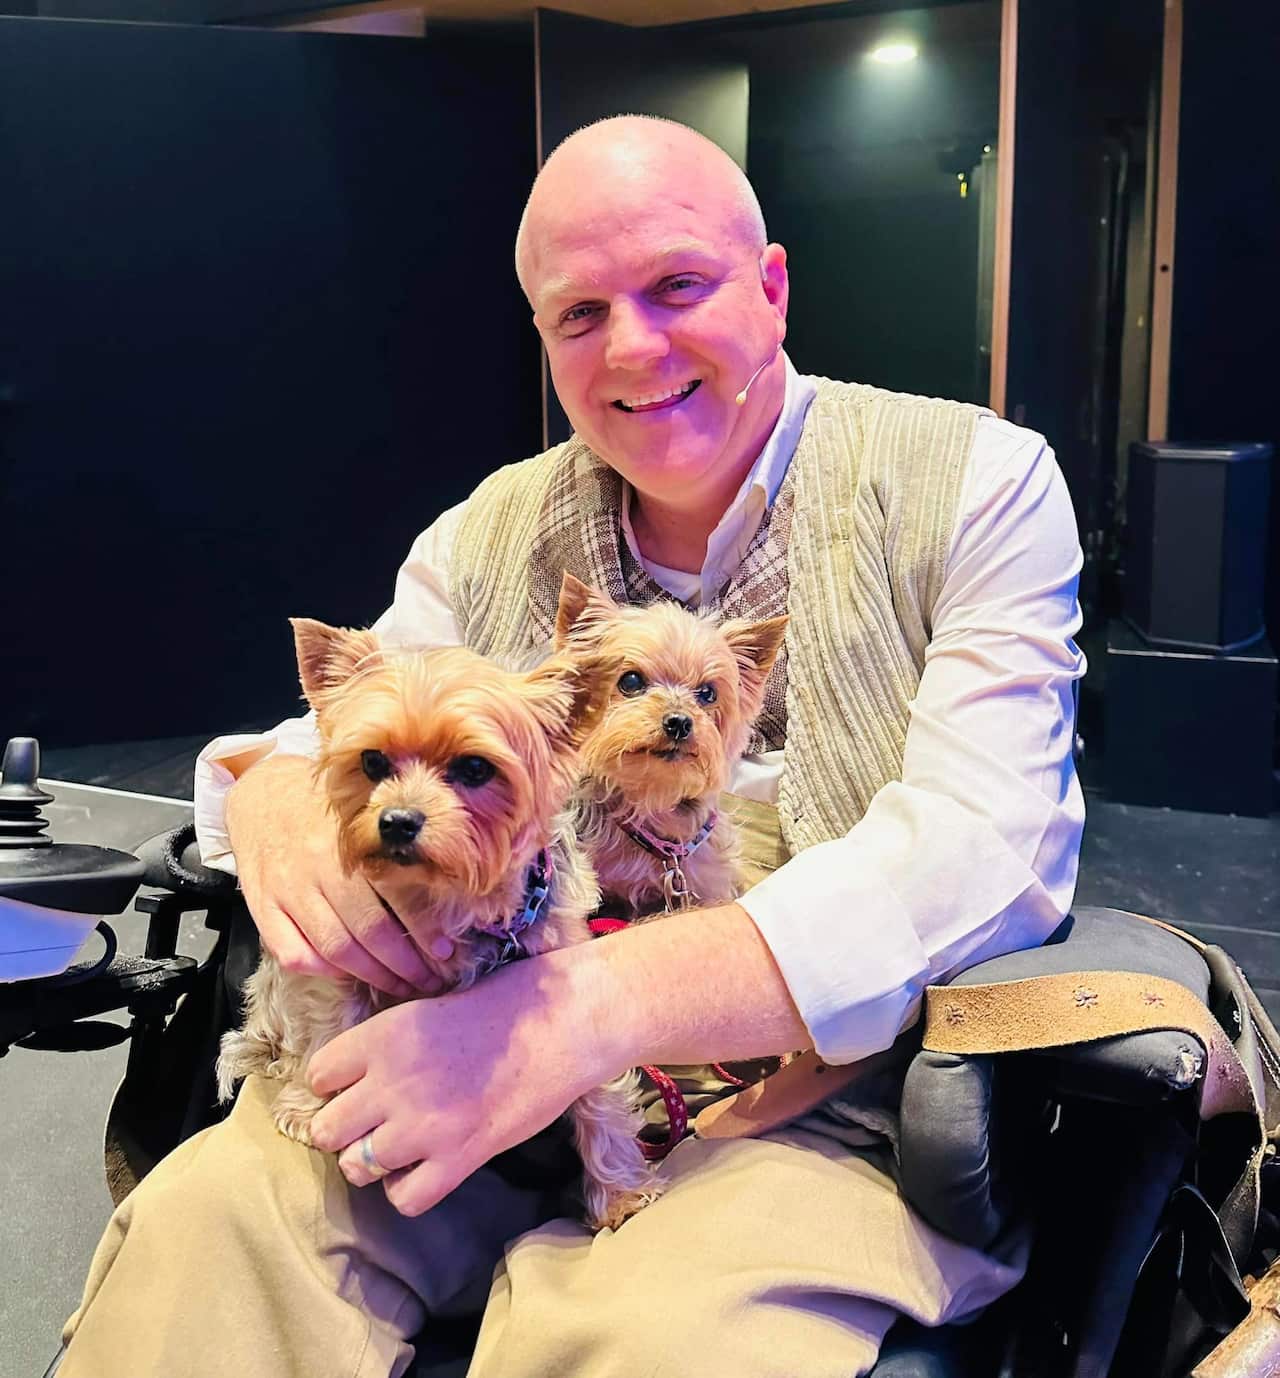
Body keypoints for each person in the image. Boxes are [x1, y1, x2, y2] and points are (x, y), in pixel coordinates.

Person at [60, 115, 1086, 1378]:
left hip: (815, 1109)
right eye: (579, 313)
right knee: (203, 1234)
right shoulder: (485, 531)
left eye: (676, 286)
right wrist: (274, 789)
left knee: (643, 1337)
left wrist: (587, 1011)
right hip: (466, 1075)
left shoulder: (974, 480)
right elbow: (333, 718)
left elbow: (983, 851)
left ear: (770, 287)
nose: (634, 347)